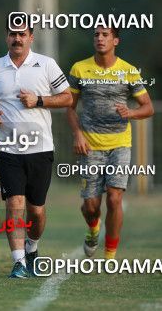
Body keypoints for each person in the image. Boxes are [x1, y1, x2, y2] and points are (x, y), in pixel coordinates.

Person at [0, 14, 72, 278]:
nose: (17, 38)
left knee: (36, 211)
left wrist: (39, 100)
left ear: (31, 37)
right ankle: (18, 262)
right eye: (12, 33)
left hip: (40, 148)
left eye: (22, 34)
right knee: (14, 204)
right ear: (6, 37)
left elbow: (67, 98)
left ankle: (32, 247)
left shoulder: (46, 64)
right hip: (7, 149)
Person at [66, 26, 153, 259]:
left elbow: (148, 107)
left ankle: (110, 255)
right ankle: (93, 228)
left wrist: (131, 114)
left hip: (120, 144)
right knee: (91, 206)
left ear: (116, 40)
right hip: (90, 146)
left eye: (105, 35)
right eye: (96, 34)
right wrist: (77, 134)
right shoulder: (80, 68)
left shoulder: (129, 71)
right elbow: (69, 107)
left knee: (115, 198)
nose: (100, 38)